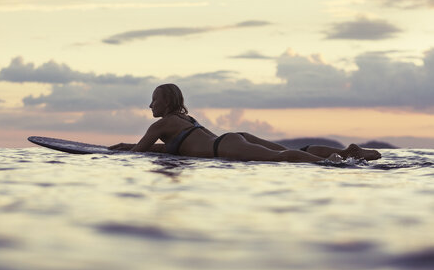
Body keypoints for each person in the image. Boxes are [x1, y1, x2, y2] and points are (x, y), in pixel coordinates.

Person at [110, 84, 381, 163]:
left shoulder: (161, 125)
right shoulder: (183, 119)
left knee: (282, 157)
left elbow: (139, 154)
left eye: (153, 100)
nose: (150, 105)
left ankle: (330, 162)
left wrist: (123, 149)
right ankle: (348, 153)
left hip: (224, 148)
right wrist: (127, 144)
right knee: (290, 150)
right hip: (231, 138)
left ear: (166, 102)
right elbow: (179, 150)